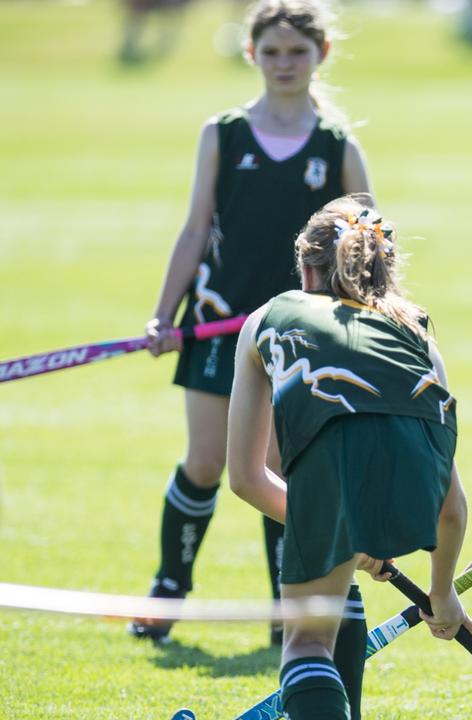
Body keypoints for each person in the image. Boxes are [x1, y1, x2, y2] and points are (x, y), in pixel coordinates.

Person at [129, 0, 373, 647]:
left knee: (274, 466)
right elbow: (194, 228)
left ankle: (284, 609)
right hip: (215, 320)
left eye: (297, 51)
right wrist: (162, 314)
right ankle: (168, 590)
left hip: (297, 332)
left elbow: (367, 246)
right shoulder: (225, 132)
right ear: (252, 54)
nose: (284, 63)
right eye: (272, 51)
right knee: (208, 462)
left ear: (320, 55)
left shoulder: (338, 145)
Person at [227, 195, 471, 720]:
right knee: (333, 590)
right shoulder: (418, 331)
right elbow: (449, 505)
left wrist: (338, 530)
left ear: (305, 266)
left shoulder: (269, 317)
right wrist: (443, 590)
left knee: (306, 644)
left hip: (326, 462)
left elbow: (247, 479)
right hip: (411, 478)